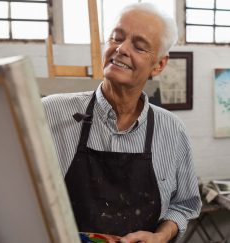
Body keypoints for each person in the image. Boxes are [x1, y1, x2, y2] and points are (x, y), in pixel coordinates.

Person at [42, 2, 201, 243]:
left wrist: (161, 236)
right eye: (116, 38)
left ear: (158, 65)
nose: (121, 49)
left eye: (139, 47)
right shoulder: (49, 113)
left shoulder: (172, 131)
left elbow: (184, 205)